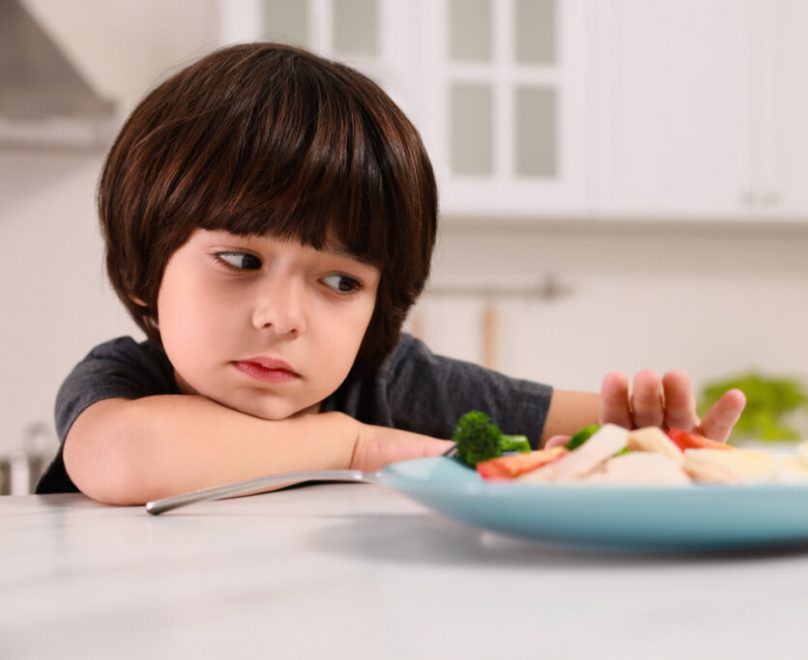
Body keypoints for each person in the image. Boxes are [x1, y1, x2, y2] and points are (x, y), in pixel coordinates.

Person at [35, 43, 745, 504]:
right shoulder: (124, 384)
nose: (282, 316)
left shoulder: (388, 380)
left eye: (340, 281)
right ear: (141, 271)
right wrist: (356, 444)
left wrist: (647, 437)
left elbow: (567, 425)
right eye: (241, 260)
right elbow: (122, 456)